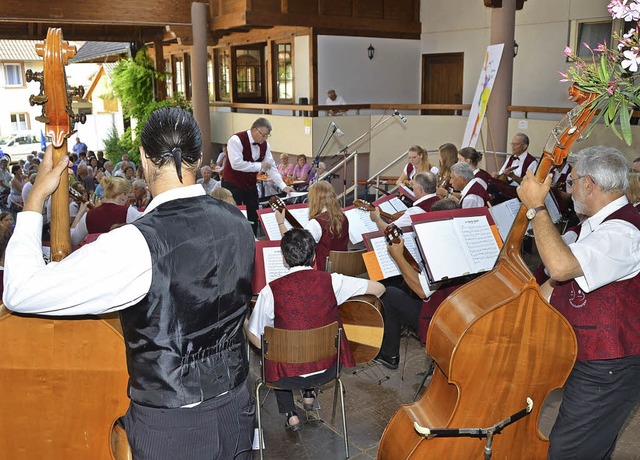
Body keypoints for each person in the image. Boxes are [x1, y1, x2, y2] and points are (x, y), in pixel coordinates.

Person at [3, 107, 256, 460]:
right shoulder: (239, 223)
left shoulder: (134, 244)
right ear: (199, 158)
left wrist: (33, 203)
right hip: (237, 410)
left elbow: (20, 291)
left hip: (173, 430)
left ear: (144, 159)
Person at [517, 146, 640, 460]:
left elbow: (560, 266)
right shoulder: (596, 224)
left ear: (590, 185)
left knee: (568, 451)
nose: (568, 190)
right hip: (589, 357)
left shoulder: (622, 232)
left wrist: (537, 208)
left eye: (572, 182)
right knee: (587, 447)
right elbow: (560, 283)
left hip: (608, 365)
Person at [245, 228, 385, 430]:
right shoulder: (333, 281)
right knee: (311, 333)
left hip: (286, 377)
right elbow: (379, 289)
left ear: (284, 258)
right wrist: (343, 310)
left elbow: (256, 336)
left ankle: (291, 415)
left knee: (274, 345)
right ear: (312, 256)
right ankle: (309, 396)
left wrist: (245, 324)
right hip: (328, 368)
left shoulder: (270, 291)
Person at [222, 117, 293, 232]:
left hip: (250, 186)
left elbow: (271, 167)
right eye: (263, 135)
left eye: (267, 136)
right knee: (234, 217)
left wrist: (283, 186)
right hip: (232, 185)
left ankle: (254, 242)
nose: (265, 139)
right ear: (255, 130)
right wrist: (259, 166)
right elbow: (236, 164)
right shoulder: (236, 140)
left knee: (253, 216)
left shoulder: (265, 145)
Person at [276, 181, 349, 272]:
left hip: (323, 272)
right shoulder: (343, 217)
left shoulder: (317, 222)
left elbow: (295, 246)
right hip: (343, 268)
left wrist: (280, 223)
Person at [70, 176, 144, 245]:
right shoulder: (128, 212)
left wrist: (80, 213)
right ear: (123, 195)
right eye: (127, 196)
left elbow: (74, 239)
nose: (127, 199)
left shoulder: (88, 215)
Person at [370, 171, 440, 231]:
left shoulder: (415, 211)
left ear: (420, 189)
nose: (412, 188)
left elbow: (389, 230)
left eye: (413, 185)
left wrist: (377, 219)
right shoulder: (441, 203)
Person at [490, 133, 538, 203]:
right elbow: (502, 174)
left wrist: (513, 176)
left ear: (525, 146)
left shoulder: (531, 162)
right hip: (507, 190)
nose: (513, 147)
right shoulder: (511, 158)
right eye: (512, 144)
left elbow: (529, 185)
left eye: (516, 144)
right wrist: (497, 175)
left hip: (519, 194)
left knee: (494, 198)